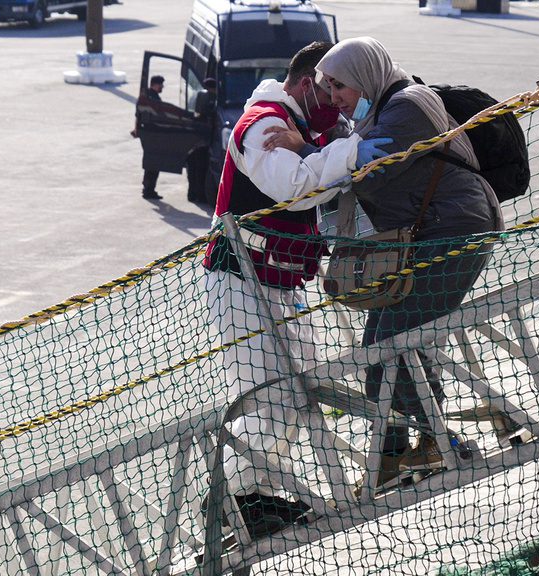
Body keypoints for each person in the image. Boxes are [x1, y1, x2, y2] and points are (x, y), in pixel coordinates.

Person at [202, 41, 391, 538]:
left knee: (298, 390)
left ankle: (254, 494)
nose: (338, 107)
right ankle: (232, 501)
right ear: (308, 83)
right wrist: (344, 152)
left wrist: (321, 148)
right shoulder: (261, 126)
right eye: (330, 92)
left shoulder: (303, 129)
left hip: (280, 281)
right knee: (270, 394)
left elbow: (321, 176)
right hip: (241, 280)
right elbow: (296, 187)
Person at [314, 37, 504, 487]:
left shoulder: (407, 107)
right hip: (434, 232)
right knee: (385, 348)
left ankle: (435, 443)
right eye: (327, 88)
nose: (334, 98)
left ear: (365, 75)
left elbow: (366, 171)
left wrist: (308, 158)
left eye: (339, 85)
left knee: (393, 345)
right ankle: (399, 451)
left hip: (455, 229)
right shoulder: (386, 109)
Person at [136, 75, 165, 200]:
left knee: (151, 161)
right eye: (161, 84)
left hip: (147, 132)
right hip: (151, 134)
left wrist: (137, 129)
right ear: (155, 84)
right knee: (153, 161)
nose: (162, 87)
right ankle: (148, 189)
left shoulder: (146, 96)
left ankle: (148, 187)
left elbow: (137, 115)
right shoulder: (151, 98)